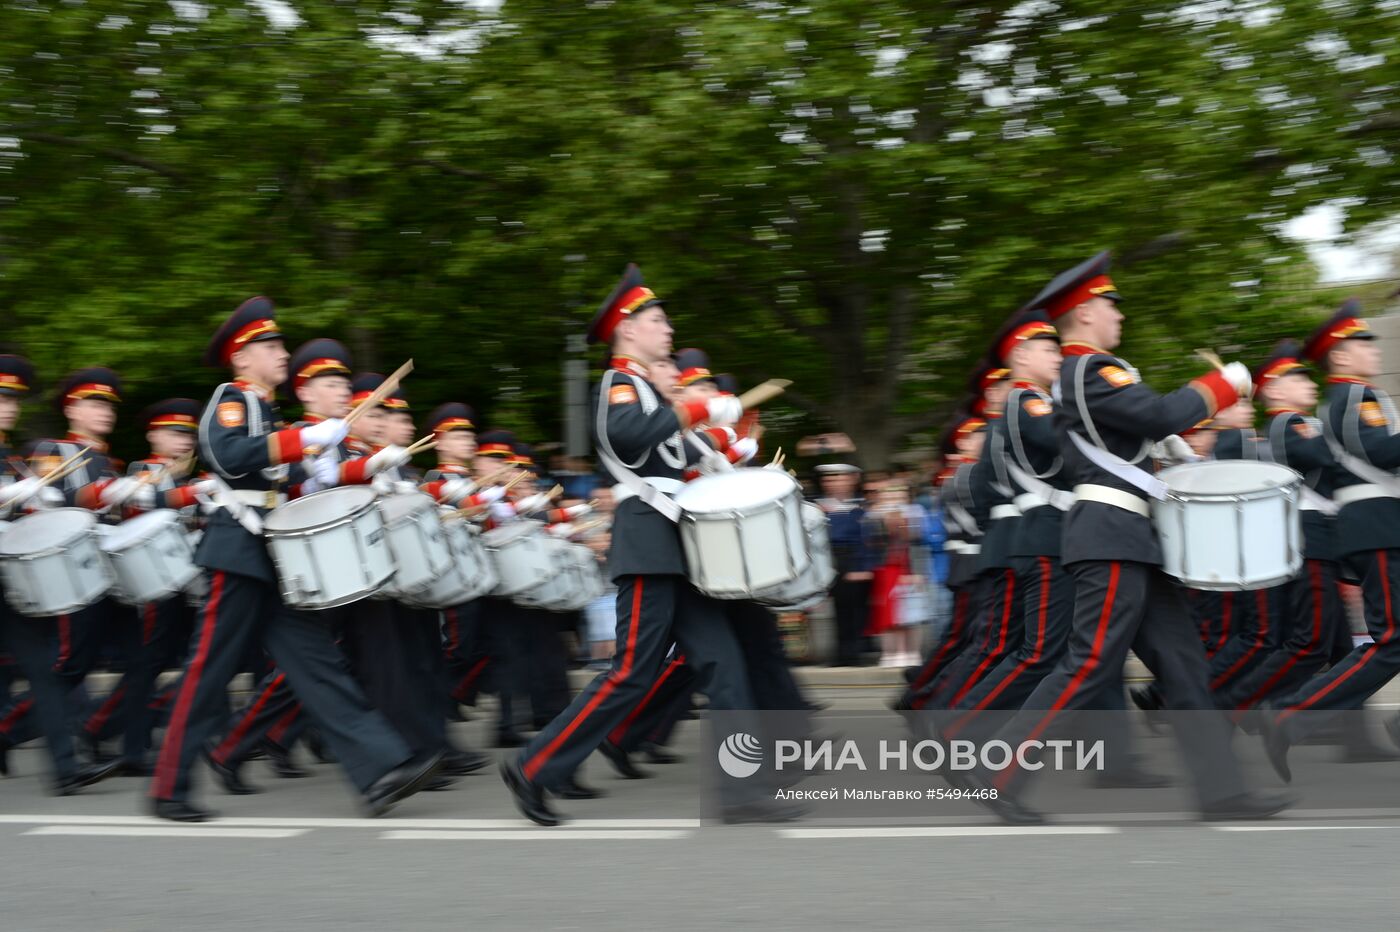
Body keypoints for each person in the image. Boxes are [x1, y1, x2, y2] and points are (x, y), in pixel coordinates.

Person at [964, 251, 1289, 823]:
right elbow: (1160, 412)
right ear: (1086, 312)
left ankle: (1223, 792)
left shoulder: (1081, 376)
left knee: (1185, 664)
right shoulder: (1089, 370)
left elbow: (1137, 435)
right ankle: (998, 772)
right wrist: (1225, 383)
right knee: (1088, 664)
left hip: (1130, 535)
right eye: (1111, 305)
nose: (1119, 315)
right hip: (1111, 534)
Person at [501, 263, 796, 826]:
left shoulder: (647, 391)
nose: (667, 330)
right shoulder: (619, 383)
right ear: (627, 329)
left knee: (722, 663)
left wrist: (725, 444)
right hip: (648, 543)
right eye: (657, 320)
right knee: (631, 670)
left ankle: (742, 792)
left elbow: (678, 461)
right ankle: (534, 766)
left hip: (678, 543)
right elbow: (631, 438)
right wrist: (703, 410)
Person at [148, 297, 441, 822]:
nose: (282, 353)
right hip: (236, 549)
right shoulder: (232, 398)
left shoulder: (268, 409)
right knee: (208, 671)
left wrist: (367, 465)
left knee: (317, 662)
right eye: (271, 345)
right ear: (242, 357)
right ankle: (168, 787)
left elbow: (304, 481)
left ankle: (379, 770)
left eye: (280, 344)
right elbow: (228, 456)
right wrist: (303, 438)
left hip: (271, 552)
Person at [1260, 301, 1400, 778]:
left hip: (1380, 523)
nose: (1371, 348)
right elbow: (1380, 450)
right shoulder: (1353, 397)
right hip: (1378, 526)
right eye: (1361, 342)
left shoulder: (1360, 396)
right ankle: (1291, 715)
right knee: (1392, 641)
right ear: (1339, 356)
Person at [0, 355, 122, 793]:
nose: (9, 406)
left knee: (45, 671)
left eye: (13, 398)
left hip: (8, 578)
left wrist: (36, 504)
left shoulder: (9, 456)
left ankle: (66, 770)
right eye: (2, 397)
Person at [816, 464, 873, 666]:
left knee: (856, 609)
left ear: (851, 480)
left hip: (853, 559)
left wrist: (862, 567)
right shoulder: (820, 507)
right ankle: (843, 653)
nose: (833, 483)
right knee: (840, 610)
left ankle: (855, 652)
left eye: (839, 478)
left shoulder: (860, 507)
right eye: (829, 480)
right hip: (830, 559)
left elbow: (866, 540)